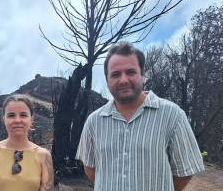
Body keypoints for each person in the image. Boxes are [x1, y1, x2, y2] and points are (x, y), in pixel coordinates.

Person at [76, 42, 204, 191]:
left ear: (143, 75)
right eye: (115, 74)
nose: (123, 80)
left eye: (130, 72)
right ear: (107, 80)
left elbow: (184, 173)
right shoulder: (93, 122)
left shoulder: (173, 116)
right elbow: (90, 169)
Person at [0, 94, 54, 191]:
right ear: (4, 119)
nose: (17, 120)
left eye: (23, 115)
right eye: (11, 115)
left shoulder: (44, 155)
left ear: (31, 119)